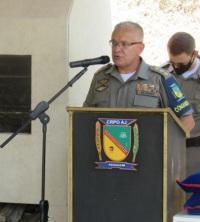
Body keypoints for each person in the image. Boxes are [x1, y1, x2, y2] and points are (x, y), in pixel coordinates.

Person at [84, 21, 195, 132]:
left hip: (148, 149)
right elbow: (84, 116)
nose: (117, 49)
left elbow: (187, 121)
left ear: (140, 48)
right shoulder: (100, 78)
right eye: (114, 43)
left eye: (124, 44)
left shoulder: (160, 79)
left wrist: (160, 145)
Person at [163, 32, 200, 175]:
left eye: (181, 63)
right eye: (172, 62)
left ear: (194, 54)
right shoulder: (162, 75)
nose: (176, 67)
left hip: (196, 152)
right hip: (171, 151)